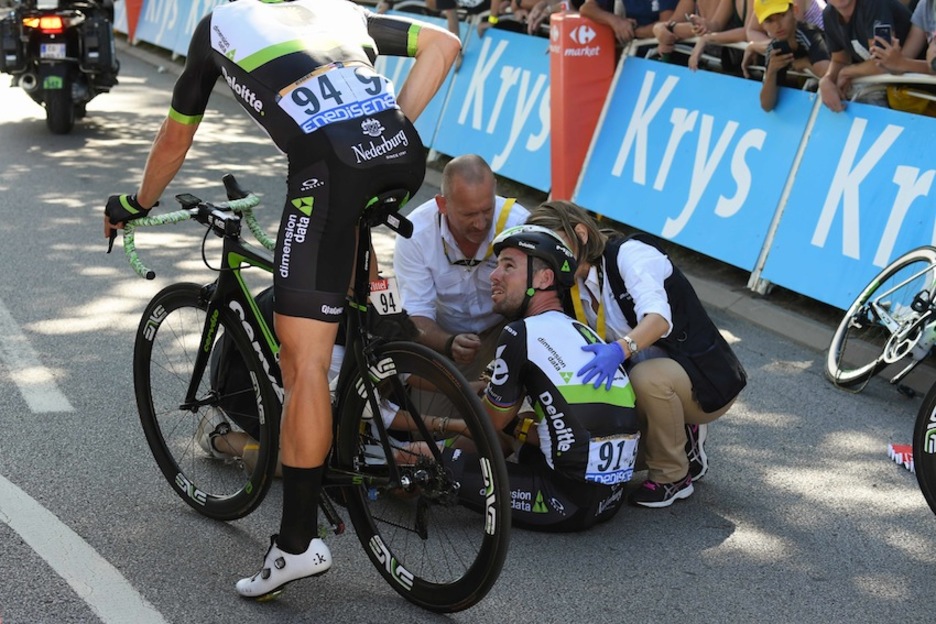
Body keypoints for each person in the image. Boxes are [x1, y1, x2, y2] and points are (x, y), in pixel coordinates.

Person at [103, 0, 460, 601]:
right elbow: (444, 45)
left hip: (329, 174)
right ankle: (357, 408)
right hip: (401, 153)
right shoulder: (340, 11)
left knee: (306, 369)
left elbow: (175, 135)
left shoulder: (217, 26)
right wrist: (383, 130)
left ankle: (295, 546)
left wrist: (136, 204)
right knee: (338, 304)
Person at [526, 201, 747, 508]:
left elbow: (658, 319)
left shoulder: (631, 255)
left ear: (580, 233)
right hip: (644, 377)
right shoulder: (569, 280)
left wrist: (619, 350)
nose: (552, 257)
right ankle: (680, 433)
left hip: (703, 378)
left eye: (557, 244)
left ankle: (673, 476)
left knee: (648, 379)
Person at [450, 224, 640, 530]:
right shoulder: (582, 330)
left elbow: (488, 423)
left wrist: (429, 430)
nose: (494, 276)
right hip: (610, 498)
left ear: (544, 278)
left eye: (508, 266)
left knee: (433, 465)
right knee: (520, 432)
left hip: (562, 502)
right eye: (496, 266)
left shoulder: (520, 333)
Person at [393, 154, 529, 384]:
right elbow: (416, 313)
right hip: (442, 337)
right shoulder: (415, 234)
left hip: (505, 330)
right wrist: (448, 342)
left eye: (487, 210)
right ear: (442, 205)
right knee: (428, 415)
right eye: (469, 215)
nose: (480, 223)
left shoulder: (519, 224)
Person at [818, 0, 912, 111]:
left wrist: (848, 72)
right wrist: (826, 80)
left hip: (918, 82)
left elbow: (884, 62)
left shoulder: (874, 3)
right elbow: (840, 60)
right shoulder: (829, 14)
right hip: (890, 83)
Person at [753, 0, 830, 111]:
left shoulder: (809, 33)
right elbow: (766, 105)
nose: (777, 25)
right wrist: (771, 72)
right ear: (763, 26)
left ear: (795, 10)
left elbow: (828, 73)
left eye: (782, 15)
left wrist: (805, 63)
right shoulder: (774, 49)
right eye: (769, 21)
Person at [870, 0, 936, 75]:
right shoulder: (925, 5)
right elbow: (906, 58)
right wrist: (890, 59)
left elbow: (903, 63)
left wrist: (902, 63)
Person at [580, 0, 680, 46]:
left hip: (666, 52)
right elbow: (586, 8)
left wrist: (632, 31)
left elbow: (667, 25)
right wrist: (615, 21)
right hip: (632, 53)